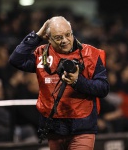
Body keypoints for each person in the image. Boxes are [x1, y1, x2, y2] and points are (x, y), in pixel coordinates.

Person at [9, 16, 109, 150]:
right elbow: (16, 60)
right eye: (58, 37)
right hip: (54, 127)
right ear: (48, 38)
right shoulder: (41, 54)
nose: (65, 40)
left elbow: (103, 89)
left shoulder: (91, 54)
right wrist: (37, 36)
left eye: (68, 35)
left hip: (82, 127)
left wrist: (77, 81)